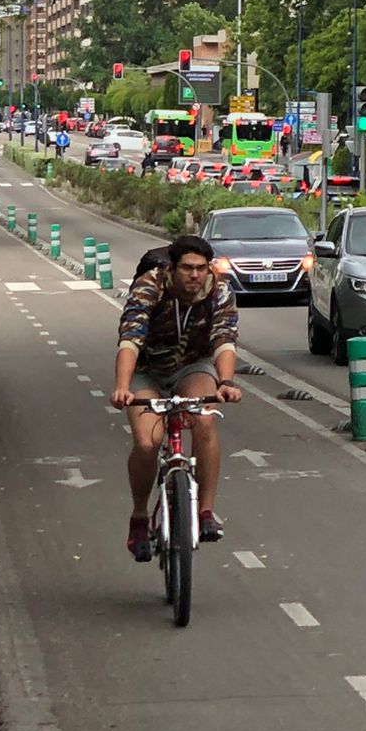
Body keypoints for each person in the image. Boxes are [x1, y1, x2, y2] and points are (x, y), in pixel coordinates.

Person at [110, 235, 242, 561]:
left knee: (206, 419)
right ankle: (140, 517)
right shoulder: (150, 286)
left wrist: (225, 382)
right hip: (148, 370)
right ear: (173, 268)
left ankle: (206, 512)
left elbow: (224, 339)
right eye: (186, 268)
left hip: (191, 367)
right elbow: (130, 338)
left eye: (200, 268)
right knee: (147, 443)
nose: (194, 276)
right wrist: (123, 386)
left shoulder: (219, 291)